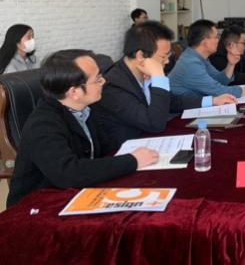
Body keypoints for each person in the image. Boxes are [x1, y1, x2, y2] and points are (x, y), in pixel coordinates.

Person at [7, 49, 159, 207]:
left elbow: (107, 148)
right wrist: (132, 161)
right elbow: (69, 173)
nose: (103, 82)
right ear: (74, 92)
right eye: (97, 79)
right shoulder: (42, 125)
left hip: (78, 193)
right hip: (38, 206)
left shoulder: (85, 108)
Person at [94, 21, 235, 149]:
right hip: (125, 153)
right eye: (163, 56)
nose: (167, 62)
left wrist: (212, 100)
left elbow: (172, 101)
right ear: (140, 56)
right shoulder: (113, 86)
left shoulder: (143, 73)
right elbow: (154, 124)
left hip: (149, 142)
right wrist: (158, 77)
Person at [169, 19, 245, 98]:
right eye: (215, 37)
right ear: (204, 41)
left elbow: (219, 80)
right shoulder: (191, 64)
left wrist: (231, 64)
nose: (218, 40)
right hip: (179, 113)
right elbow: (218, 90)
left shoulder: (200, 57)